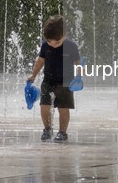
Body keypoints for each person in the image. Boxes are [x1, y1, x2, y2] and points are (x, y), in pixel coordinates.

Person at [27, 14, 81, 142]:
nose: (54, 45)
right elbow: (40, 61)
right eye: (50, 42)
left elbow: (78, 63)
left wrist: (79, 76)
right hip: (48, 82)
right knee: (44, 106)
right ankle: (47, 129)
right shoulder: (45, 46)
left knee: (63, 108)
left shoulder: (71, 46)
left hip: (66, 83)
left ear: (65, 34)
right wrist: (33, 75)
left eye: (57, 42)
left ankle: (62, 132)